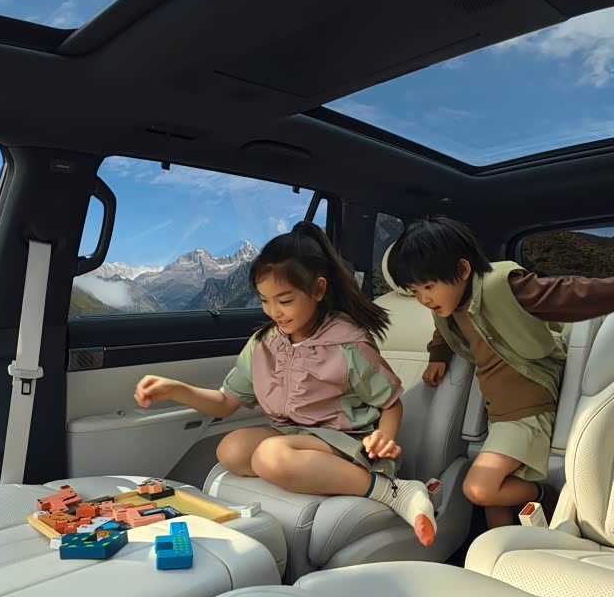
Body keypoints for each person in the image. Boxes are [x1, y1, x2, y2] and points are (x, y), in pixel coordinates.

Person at [134, 221, 437, 546]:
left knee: (269, 456)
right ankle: (297, 468)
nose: (274, 312)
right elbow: (225, 403)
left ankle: (394, 491)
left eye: (285, 300)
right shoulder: (264, 344)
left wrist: (384, 438)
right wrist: (175, 390)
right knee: (230, 449)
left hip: (348, 441)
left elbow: (390, 403)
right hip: (296, 435)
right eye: (265, 301)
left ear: (318, 290)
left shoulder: (347, 344)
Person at [386, 216, 614, 528]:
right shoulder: (449, 306)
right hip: (500, 411)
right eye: (415, 291)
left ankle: (543, 493)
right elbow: (443, 332)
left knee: (479, 489)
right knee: (494, 502)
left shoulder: (503, 287)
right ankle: (501, 548)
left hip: (528, 408)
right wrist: (438, 356)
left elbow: (572, 293)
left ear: (463, 270)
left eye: (429, 286)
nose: (424, 299)